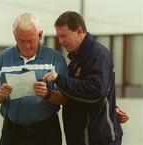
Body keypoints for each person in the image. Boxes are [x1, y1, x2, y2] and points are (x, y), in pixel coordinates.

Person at [34, 11, 126, 145]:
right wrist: (47, 93)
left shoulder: (98, 54)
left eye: (64, 36)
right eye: (58, 37)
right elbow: (77, 94)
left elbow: (95, 91)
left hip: (98, 138)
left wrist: (59, 78)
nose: (61, 42)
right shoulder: (76, 58)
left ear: (79, 31)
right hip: (81, 137)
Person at [0, 12, 68, 145]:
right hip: (12, 132)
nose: (26, 46)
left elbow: (65, 98)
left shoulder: (55, 60)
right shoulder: (2, 59)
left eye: (31, 41)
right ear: (14, 35)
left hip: (45, 131)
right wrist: (1, 94)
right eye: (21, 41)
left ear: (40, 35)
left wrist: (47, 93)